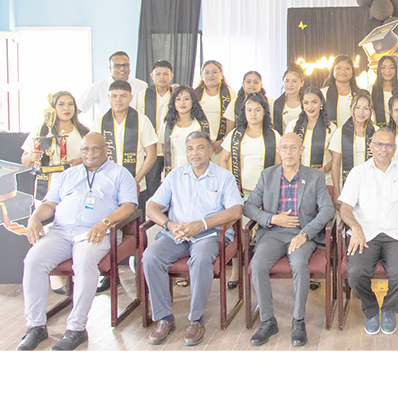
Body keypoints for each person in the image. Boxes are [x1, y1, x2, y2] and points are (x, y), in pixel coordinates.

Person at [16, 132, 138, 351]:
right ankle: (35, 327)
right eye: (84, 150)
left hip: (96, 232)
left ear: (106, 149)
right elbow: (49, 204)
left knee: (83, 262)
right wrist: (34, 217)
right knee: (33, 261)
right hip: (61, 232)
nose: (89, 154)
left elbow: (129, 206)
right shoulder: (67, 175)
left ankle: (76, 328)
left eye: (95, 149)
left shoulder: (120, 174)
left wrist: (105, 222)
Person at [143, 130, 243, 347]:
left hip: (209, 235)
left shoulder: (224, 176)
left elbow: (235, 210)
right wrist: (168, 224)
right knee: (150, 256)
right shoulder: (176, 176)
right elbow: (151, 206)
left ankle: (195, 319)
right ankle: (164, 317)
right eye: (190, 149)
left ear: (209, 150)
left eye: (200, 147)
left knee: (199, 259)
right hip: (176, 234)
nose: (194, 153)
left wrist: (202, 224)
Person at [242, 132, 335, 347]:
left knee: (299, 264)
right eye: (284, 147)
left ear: (302, 150)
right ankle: (267, 321)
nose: (289, 152)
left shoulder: (315, 176)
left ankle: (298, 320)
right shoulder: (267, 175)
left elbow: (328, 209)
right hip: (273, 233)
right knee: (257, 265)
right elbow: (249, 206)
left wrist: (305, 234)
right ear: (279, 151)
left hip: (303, 233)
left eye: (294, 147)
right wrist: (271, 218)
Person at [337, 128, 398, 335]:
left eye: (388, 145)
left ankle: (388, 309)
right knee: (355, 273)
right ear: (370, 147)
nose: (383, 149)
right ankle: (370, 310)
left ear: (395, 148)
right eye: (379, 144)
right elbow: (345, 208)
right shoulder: (357, 172)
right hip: (365, 233)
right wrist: (355, 227)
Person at [219, 91, 282, 288]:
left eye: (257, 110)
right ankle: (236, 272)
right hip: (241, 192)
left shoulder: (273, 135)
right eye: (249, 110)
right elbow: (223, 159)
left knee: (264, 234)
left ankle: (261, 270)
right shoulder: (235, 135)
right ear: (243, 112)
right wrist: (230, 183)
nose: (253, 114)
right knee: (239, 232)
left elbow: (280, 164)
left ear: (264, 112)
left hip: (267, 194)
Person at [91, 80, 158, 196]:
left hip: (136, 185)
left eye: (123, 96)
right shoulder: (99, 122)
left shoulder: (142, 120)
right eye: (114, 96)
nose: (118, 100)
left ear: (131, 98)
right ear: (108, 97)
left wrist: (135, 180)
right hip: (105, 185)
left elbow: (151, 154)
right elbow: (93, 152)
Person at [21, 91, 90, 200]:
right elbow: (25, 162)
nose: (66, 108)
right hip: (47, 186)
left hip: (77, 185)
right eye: (61, 104)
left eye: (70, 104)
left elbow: (97, 158)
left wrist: (81, 161)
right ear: (53, 108)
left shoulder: (85, 132)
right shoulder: (40, 131)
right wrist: (31, 157)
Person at [135, 60, 176, 198]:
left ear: (171, 76)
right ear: (152, 75)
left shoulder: (176, 94)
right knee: (152, 184)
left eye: (165, 74)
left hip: (172, 146)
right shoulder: (143, 94)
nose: (162, 77)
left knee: (172, 183)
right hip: (151, 148)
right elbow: (140, 120)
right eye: (158, 74)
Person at [329, 90, 377, 201]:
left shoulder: (377, 132)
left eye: (366, 108)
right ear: (351, 109)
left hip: (372, 186)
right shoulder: (340, 132)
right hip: (347, 186)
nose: (361, 112)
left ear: (371, 111)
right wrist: (336, 191)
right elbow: (335, 164)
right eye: (357, 107)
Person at [285, 87, 337, 186]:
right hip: (296, 180)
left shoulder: (331, 128)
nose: (310, 107)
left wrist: (323, 170)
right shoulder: (293, 126)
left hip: (323, 180)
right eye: (306, 103)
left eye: (314, 102)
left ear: (321, 103)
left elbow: (336, 158)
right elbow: (285, 152)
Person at [159, 85, 211, 178]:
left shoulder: (201, 124)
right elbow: (163, 148)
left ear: (193, 101)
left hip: (198, 173)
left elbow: (209, 147)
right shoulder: (168, 125)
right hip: (173, 172)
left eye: (186, 99)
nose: (182, 103)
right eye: (178, 99)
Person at [77, 51, 148, 119]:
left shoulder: (141, 86)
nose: (122, 69)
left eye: (125, 65)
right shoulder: (97, 87)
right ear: (110, 68)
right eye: (117, 66)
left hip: (135, 129)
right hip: (106, 129)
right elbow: (78, 108)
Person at [194, 60, 236, 161]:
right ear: (202, 76)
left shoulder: (230, 93)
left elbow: (232, 119)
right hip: (199, 143)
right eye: (207, 72)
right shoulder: (194, 93)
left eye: (214, 72)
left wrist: (223, 141)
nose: (210, 75)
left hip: (222, 144)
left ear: (221, 75)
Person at [321, 54, 360, 128]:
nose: (343, 72)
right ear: (333, 71)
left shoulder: (359, 94)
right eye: (339, 68)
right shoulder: (323, 93)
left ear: (352, 71)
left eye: (347, 68)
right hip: (329, 137)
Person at [368, 55, 398, 127]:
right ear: (379, 70)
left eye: (391, 67)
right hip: (379, 132)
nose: (388, 71)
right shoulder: (371, 89)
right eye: (383, 67)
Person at [271, 64, 306, 135]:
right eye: (287, 81)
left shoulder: (306, 102)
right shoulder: (276, 104)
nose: (290, 85)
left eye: (294, 81)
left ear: (301, 83)